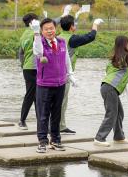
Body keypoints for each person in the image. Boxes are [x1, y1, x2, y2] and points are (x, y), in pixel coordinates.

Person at [32, 18, 76, 153]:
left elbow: (66, 59)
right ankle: (42, 142)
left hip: (60, 83)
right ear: (42, 31)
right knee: (43, 114)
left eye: (51, 28)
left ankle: (55, 140)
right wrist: (36, 34)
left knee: (56, 113)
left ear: (55, 28)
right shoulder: (40, 42)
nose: (49, 31)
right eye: (46, 29)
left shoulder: (62, 42)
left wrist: (70, 74)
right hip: (45, 84)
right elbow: (38, 52)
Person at [94, 36, 128, 147]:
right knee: (112, 114)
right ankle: (99, 138)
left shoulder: (116, 57)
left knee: (119, 113)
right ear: (125, 44)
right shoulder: (127, 56)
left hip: (107, 87)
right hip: (110, 88)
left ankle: (118, 137)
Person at [59, 15, 103, 134]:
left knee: (55, 100)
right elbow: (90, 37)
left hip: (55, 73)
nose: (75, 26)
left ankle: (56, 125)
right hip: (64, 75)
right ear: (71, 26)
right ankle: (60, 126)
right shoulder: (72, 39)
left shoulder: (58, 37)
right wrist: (95, 24)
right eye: (74, 24)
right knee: (62, 101)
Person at [18, 13, 39, 130]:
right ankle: (22, 120)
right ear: (33, 22)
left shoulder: (24, 34)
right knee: (31, 94)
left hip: (27, 68)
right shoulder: (35, 33)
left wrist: (23, 65)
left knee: (35, 95)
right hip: (35, 67)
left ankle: (39, 120)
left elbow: (20, 53)